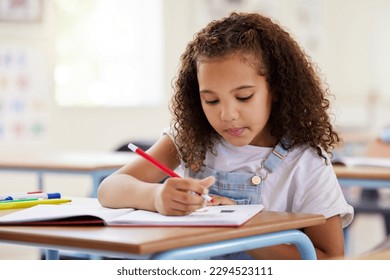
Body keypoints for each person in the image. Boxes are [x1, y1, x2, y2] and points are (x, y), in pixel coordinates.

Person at [98, 12, 353, 260]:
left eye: (244, 97)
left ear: (275, 89)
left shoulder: (305, 162)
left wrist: (240, 226)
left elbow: (330, 258)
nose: (227, 115)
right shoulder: (191, 138)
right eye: (211, 100)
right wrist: (155, 197)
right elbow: (109, 189)